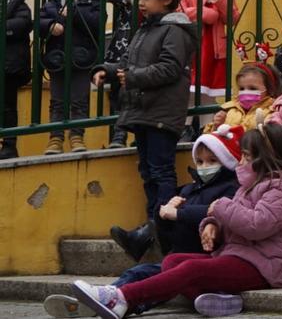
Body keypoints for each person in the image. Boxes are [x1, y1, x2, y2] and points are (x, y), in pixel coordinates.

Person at [70, 124, 282, 319]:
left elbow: (257, 224)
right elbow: (234, 218)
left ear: (267, 158)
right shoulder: (251, 185)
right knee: (173, 261)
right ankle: (218, 301)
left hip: (261, 266)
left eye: (247, 156)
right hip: (237, 254)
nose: (241, 161)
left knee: (189, 271)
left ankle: (122, 298)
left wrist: (218, 207)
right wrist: (212, 225)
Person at [46, 127, 242, 318]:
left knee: (158, 278)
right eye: (200, 162)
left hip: (204, 258)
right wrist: (162, 216)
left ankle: (115, 302)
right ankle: (106, 298)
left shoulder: (232, 189)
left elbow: (219, 213)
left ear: (226, 162)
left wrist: (178, 214)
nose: (204, 167)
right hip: (179, 255)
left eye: (212, 161)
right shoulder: (188, 191)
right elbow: (169, 236)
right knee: (138, 272)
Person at [93, 0, 197, 253]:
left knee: (161, 171)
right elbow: (127, 61)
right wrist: (108, 71)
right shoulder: (146, 28)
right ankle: (150, 229)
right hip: (143, 111)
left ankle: (162, 227)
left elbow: (170, 68)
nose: (140, 2)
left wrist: (133, 77)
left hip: (162, 113)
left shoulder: (175, 30)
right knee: (148, 172)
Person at [41, 0, 104, 154]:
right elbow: (41, 20)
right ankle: (55, 138)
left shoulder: (93, 0)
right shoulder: (53, 0)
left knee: (79, 100)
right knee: (57, 101)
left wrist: (74, 11)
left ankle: (77, 137)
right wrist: (52, 25)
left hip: (83, 58)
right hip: (58, 58)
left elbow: (97, 22)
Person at [100, 0, 163, 150]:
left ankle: (137, 133)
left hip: (144, 52)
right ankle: (118, 135)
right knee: (117, 93)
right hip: (121, 49)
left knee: (139, 93)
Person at [180, 0, 240, 101]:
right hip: (192, 47)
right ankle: (186, 125)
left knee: (208, 96)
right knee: (188, 94)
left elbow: (232, 19)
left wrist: (220, 1)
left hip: (214, 51)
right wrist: (207, 13)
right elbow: (180, 12)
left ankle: (205, 125)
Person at [0, 0, 33, 160]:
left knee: (7, 106)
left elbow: (22, 24)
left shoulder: (18, 4)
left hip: (9, 66)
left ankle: (9, 144)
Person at [206, 59, 280, 133]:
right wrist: (216, 126)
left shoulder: (273, 112)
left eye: (252, 88)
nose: (246, 92)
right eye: (242, 88)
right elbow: (209, 138)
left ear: (269, 89)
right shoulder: (229, 110)